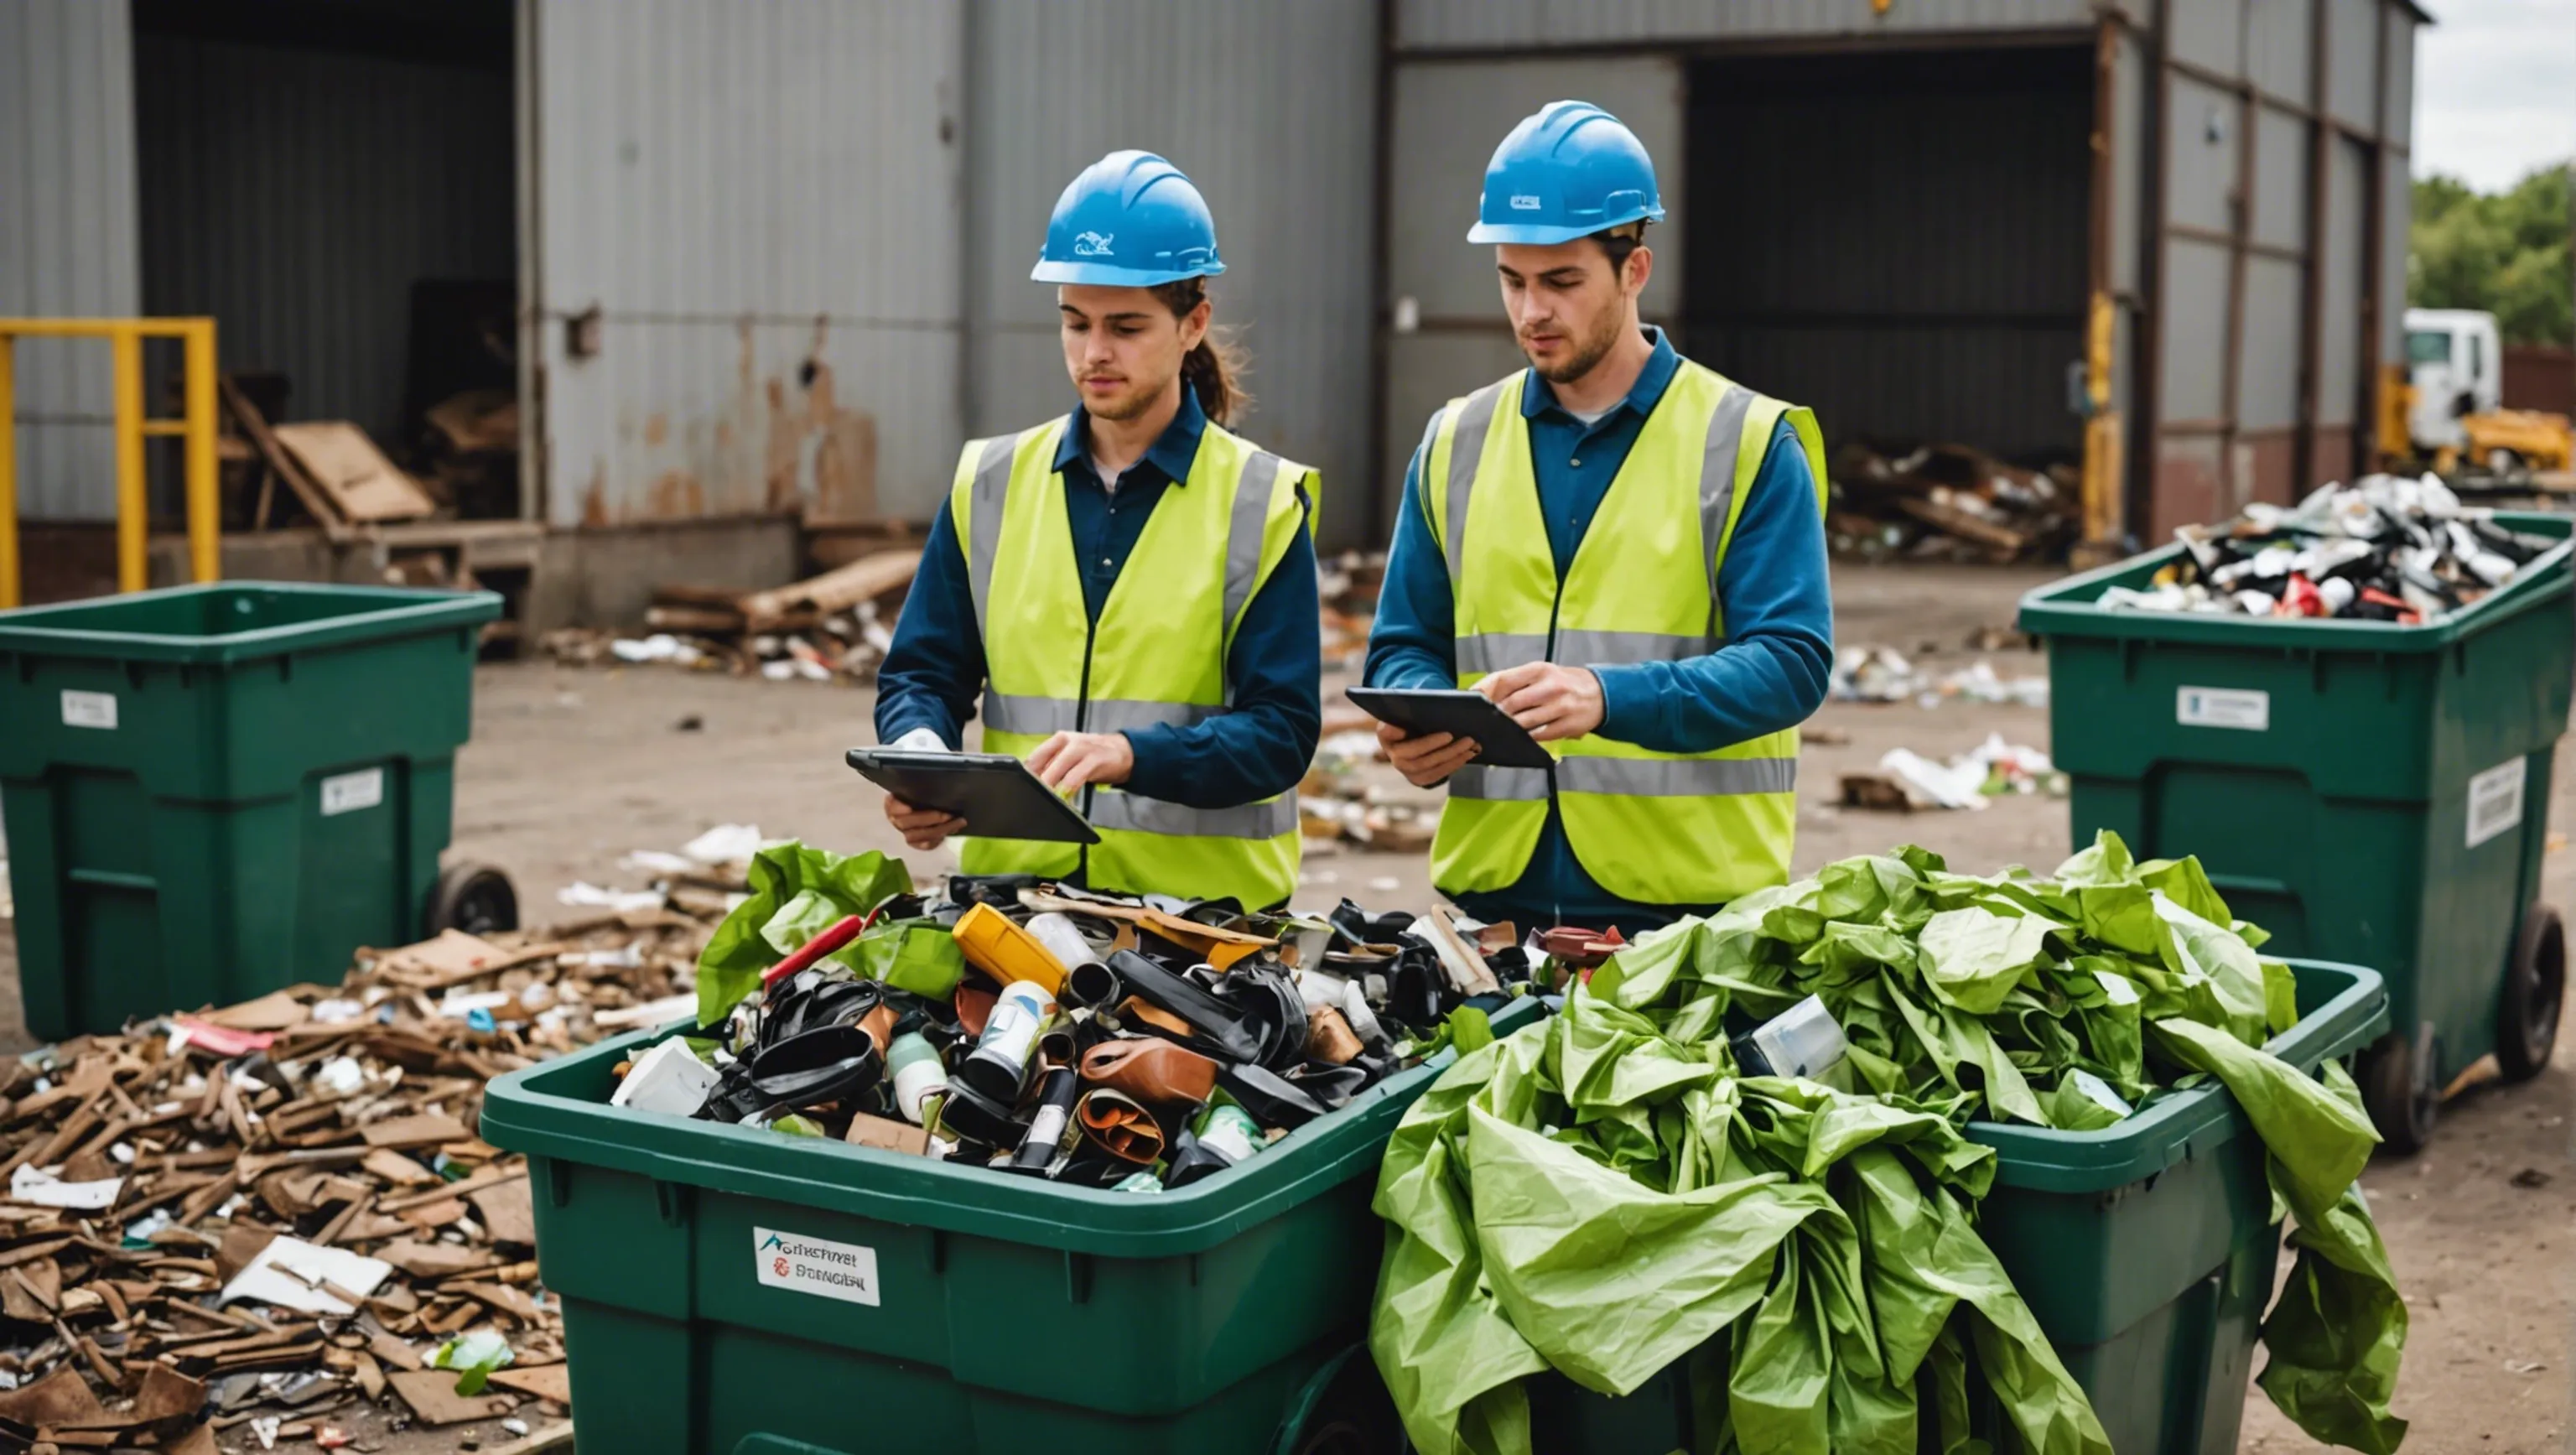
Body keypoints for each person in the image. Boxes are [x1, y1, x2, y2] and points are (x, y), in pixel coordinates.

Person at [1364, 101, 1833, 933]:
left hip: (1684, 921)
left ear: (1635, 268)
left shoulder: (1747, 441)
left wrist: (1606, 697)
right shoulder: (1455, 442)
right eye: (1513, 280)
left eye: (1562, 282)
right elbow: (1406, 644)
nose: (1532, 312)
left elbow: (1792, 663)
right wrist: (1421, 718)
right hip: (1494, 912)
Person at [873, 150, 1321, 908]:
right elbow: (923, 672)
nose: (1094, 353)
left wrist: (1128, 756)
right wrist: (920, 758)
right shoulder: (990, 483)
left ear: (1193, 324)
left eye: (1125, 326)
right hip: (1013, 911)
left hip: (1202, 931)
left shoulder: (1262, 500)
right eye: (1075, 323)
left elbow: (1280, 733)